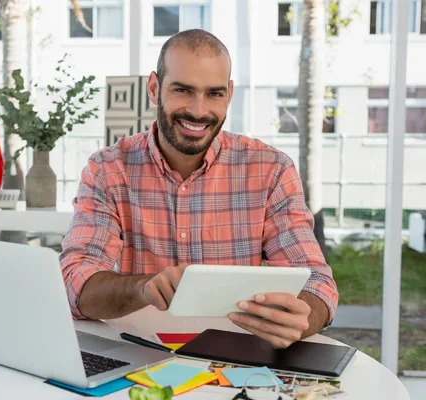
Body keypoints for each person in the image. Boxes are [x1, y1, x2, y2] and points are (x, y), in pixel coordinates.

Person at [60, 29, 338, 349]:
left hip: (235, 358)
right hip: (137, 356)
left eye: (214, 94)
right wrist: (142, 288)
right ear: (154, 88)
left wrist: (303, 316)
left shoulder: (272, 170)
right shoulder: (107, 170)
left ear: (229, 94)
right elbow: (75, 283)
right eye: (182, 90)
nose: (197, 110)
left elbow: (318, 283)